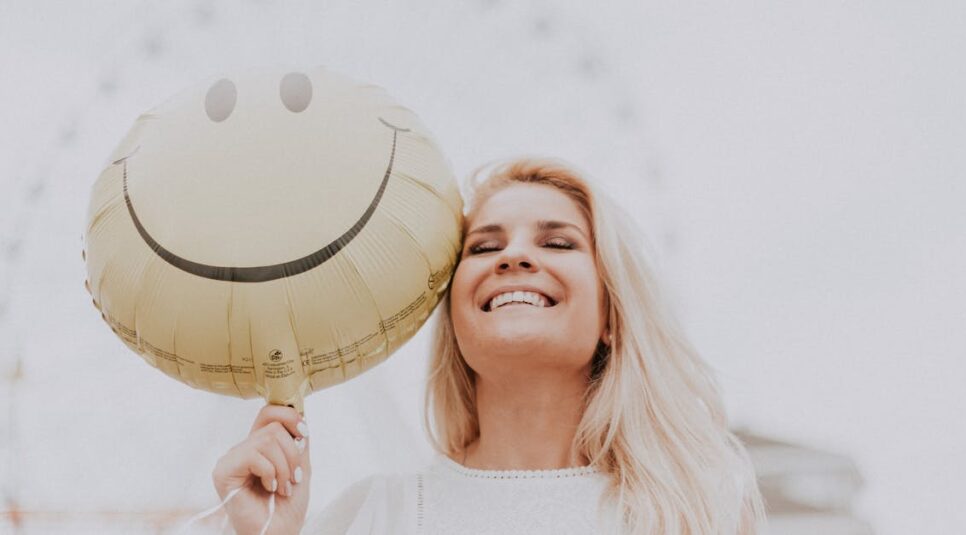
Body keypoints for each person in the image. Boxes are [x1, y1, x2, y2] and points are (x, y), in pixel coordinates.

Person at [212, 158, 766, 534]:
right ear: (453, 317)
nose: (514, 257)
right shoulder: (377, 515)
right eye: (484, 247)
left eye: (556, 241)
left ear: (612, 318)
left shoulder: (696, 513)